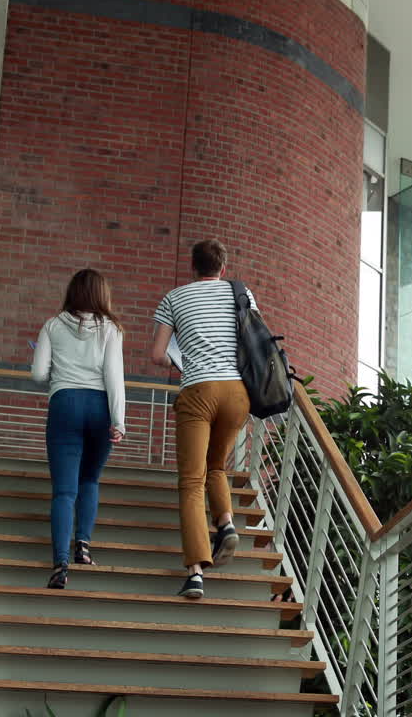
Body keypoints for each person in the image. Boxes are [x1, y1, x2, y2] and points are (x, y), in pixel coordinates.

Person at [152, 239, 256, 599]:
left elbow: (157, 355)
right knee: (217, 466)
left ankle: (196, 571)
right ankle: (225, 523)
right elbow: (252, 340)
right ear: (222, 269)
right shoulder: (241, 293)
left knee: (191, 480)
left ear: (192, 267)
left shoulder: (174, 298)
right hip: (237, 394)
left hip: (198, 393)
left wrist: (180, 355)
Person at [31, 269, 126, 589]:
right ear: (102, 295)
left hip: (64, 404)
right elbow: (114, 377)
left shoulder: (52, 325)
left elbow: (38, 374)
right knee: (90, 479)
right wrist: (119, 420)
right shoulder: (110, 329)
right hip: (100, 408)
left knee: (64, 490)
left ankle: (59, 564)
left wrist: (59, 370)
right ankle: (82, 547)